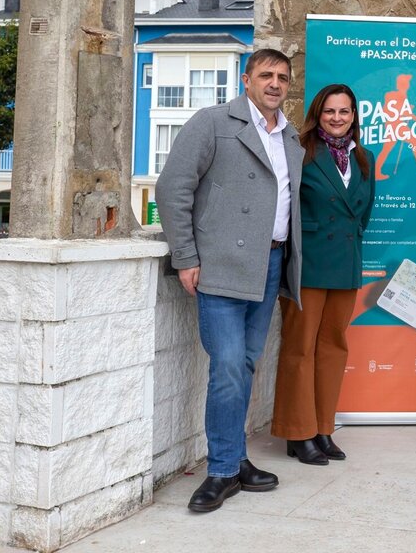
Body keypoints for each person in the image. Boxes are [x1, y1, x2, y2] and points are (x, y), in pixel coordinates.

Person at [156, 48, 303, 513]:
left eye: (282, 77)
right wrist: (185, 256)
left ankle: (236, 459)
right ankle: (221, 471)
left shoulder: (290, 136)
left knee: (244, 366)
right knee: (227, 368)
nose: (275, 84)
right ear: (247, 79)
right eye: (266, 75)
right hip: (219, 265)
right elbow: (173, 188)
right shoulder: (213, 122)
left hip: (270, 263)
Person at [271, 83, 374, 465]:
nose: (337, 118)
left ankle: (323, 428)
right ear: (318, 113)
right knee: (300, 348)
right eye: (330, 111)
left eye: (344, 111)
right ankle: (297, 432)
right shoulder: (300, 151)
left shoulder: (364, 156)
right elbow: (285, 205)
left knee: (333, 347)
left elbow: (363, 214)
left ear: (354, 116)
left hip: (345, 262)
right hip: (308, 263)